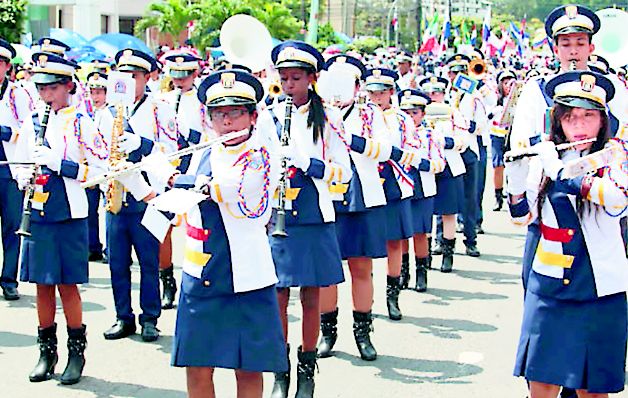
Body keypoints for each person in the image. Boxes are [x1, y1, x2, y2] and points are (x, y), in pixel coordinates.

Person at [122, 68, 287, 398]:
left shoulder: (263, 155)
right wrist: (137, 184)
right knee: (196, 366)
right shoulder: (203, 152)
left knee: (248, 368)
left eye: (236, 112)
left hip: (245, 276)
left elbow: (226, 188)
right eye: (218, 114)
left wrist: (163, 168)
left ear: (254, 115)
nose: (227, 122)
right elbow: (176, 205)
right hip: (200, 273)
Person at [506, 70, 627, 398]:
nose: (580, 126)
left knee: (592, 389)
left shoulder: (615, 157)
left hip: (600, 286)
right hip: (551, 283)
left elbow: (616, 198)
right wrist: (516, 180)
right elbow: (522, 217)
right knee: (541, 383)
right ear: (558, 121)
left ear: (603, 121)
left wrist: (559, 170)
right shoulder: (547, 156)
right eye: (571, 117)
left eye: (589, 116)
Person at [260, 41, 351, 398]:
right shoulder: (267, 115)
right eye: (283, 78)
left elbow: (343, 175)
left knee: (311, 297)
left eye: (296, 78)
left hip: (314, 212)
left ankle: (307, 370)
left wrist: (306, 162)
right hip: (277, 212)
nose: (289, 85)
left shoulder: (329, 117)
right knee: (278, 295)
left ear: (313, 78)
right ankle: (280, 372)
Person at [14, 52, 108, 384]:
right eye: (41, 88)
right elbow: (21, 163)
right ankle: (46, 351)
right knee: (42, 284)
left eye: (52, 88)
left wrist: (59, 163)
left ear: (68, 87)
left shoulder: (81, 123)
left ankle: (76, 353)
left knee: (68, 285)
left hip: (69, 211)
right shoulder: (30, 121)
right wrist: (25, 175)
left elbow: (97, 172)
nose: (46, 95)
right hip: (39, 210)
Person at [99, 48, 178, 343]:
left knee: (148, 260)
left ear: (147, 77)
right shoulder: (104, 112)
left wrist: (142, 144)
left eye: (135, 75)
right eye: (124, 75)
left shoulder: (160, 109)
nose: (129, 81)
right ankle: (123, 316)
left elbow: (172, 153)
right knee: (117, 261)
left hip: (148, 195)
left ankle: (150, 317)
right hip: (117, 194)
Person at [317, 55, 389, 361]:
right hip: (327, 197)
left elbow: (385, 150)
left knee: (361, 267)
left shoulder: (370, 113)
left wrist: (353, 140)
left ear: (358, 85)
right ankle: (327, 332)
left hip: (363, 196)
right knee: (326, 272)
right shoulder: (317, 112)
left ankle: (363, 332)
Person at [156, 53, 212, 310]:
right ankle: (167, 280)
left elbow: (209, 136)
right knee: (162, 228)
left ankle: (197, 278)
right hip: (167, 166)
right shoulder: (163, 99)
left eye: (186, 76)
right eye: (176, 76)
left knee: (194, 228)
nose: (180, 81)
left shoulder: (203, 101)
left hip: (192, 165)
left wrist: (185, 130)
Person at [364, 67, 420, 320]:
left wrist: (397, 156)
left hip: (394, 181)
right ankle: (367, 298)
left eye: (381, 92)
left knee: (394, 241)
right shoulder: (360, 115)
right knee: (366, 244)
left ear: (391, 92)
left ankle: (392, 296)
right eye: (372, 91)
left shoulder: (402, 119)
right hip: (367, 182)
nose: (376, 97)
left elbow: (413, 149)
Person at [421, 76, 470, 272]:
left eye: (437, 92)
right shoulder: (417, 113)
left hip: (450, 165)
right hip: (426, 166)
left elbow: (463, 140)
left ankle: (448, 254)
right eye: (429, 93)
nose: (433, 96)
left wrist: (445, 142)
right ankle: (425, 257)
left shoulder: (452, 113)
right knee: (425, 213)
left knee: (448, 212)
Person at [398, 89, 445, 291]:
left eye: (414, 113)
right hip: (400, 188)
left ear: (423, 114)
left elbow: (440, 164)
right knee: (400, 234)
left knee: (420, 233)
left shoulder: (431, 135)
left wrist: (421, 163)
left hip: (422, 187)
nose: (410, 117)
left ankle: (421, 273)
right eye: (405, 113)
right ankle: (402, 271)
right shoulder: (395, 133)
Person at [0, 39, 33, 300]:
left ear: (7, 66)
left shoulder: (18, 94)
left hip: (8, 168)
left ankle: (8, 279)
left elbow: (29, 130)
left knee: (12, 226)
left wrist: (4, 133)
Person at [446, 54, 487, 257]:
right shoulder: (442, 95)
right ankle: (442, 241)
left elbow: (481, 127)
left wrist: (463, 123)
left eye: (461, 73)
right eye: (453, 73)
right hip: (447, 151)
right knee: (445, 197)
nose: (456, 77)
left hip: (468, 150)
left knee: (469, 198)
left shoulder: (474, 98)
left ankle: (470, 240)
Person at [85, 71, 108, 262]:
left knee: (109, 208)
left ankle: (110, 247)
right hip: (94, 168)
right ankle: (93, 246)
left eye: (100, 92)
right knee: (91, 209)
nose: (95, 97)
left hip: (109, 167)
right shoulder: (90, 114)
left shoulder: (111, 114)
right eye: (92, 92)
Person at [489, 69, 517, 212]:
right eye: (505, 83)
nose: (508, 86)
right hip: (497, 137)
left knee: (513, 167)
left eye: (511, 82)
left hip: (512, 136)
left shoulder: (519, 99)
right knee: (498, 166)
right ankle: (498, 197)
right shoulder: (493, 98)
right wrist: (495, 110)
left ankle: (511, 196)